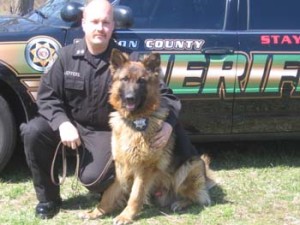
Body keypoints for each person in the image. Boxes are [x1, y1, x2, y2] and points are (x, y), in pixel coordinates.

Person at [20, 0, 198, 220]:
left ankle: (112, 196)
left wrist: (169, 125)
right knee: (33, 130)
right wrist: (62, 123)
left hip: (103, 131)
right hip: (70, 125)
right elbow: (47, 97)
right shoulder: (66, 56)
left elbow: (166, 96)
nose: (100, 28)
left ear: (113, 25)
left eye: (105, 22)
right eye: (94, 21)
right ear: (83, 23)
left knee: (95, 180)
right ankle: (48, 200)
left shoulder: (127, 62)